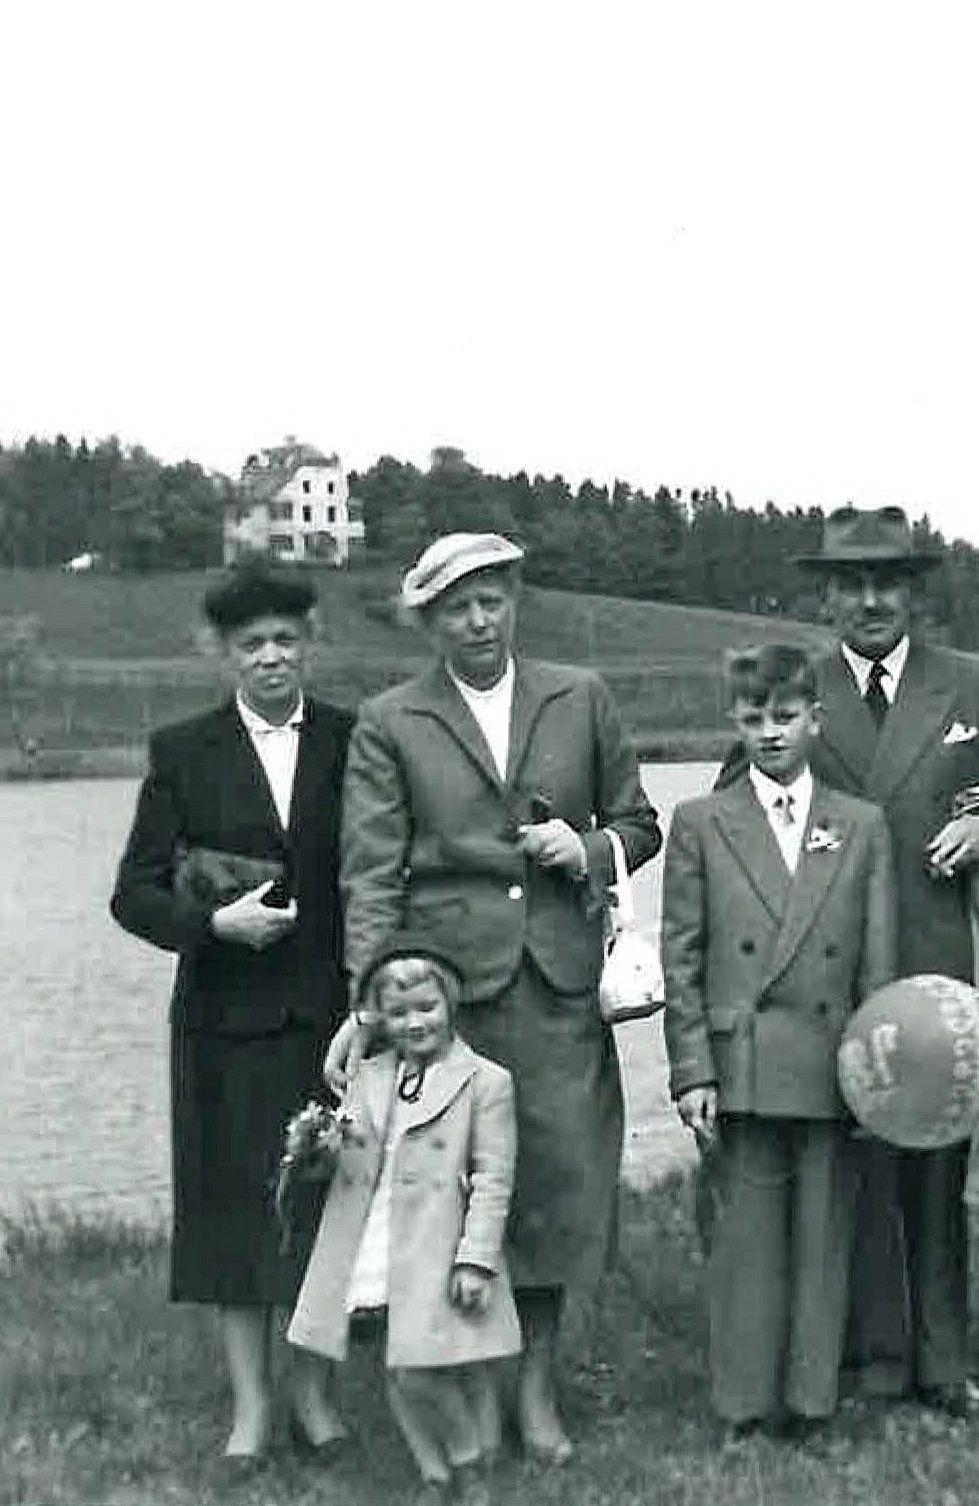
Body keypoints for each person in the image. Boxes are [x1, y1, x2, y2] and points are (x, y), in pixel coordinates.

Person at [338, 532, 662, 1462]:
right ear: (428, 622)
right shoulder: (390, 721)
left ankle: (536, 1394)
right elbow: (370, 874)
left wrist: (588, 850)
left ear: (514, 602)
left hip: (558, 983)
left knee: (557, 1186)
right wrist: (372, 1001)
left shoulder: (579, 696)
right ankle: (477, 1394)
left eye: (491, 601)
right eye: (456, 608)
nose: (478, 621)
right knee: (460, 1195)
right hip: (446, 999)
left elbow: (640, 824)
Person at [724, 504, 979, 1417]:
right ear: (825, 598)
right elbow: (735, 814)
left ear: (912, 593)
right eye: (850, 584)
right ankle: (865, 1358)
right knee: (848, 1176)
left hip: (943, 976)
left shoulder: (977, 686)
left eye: (885, 583)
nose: (869, 601)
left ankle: (943, 1362)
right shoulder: (795, 688)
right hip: (828, 981)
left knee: (936, 1176)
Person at [108, 563, 351, 1465]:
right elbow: (133, 894)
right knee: (231, 1217)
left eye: (286, 639)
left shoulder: (354, 739)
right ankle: (250, 1409)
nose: (271, 657)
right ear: (223, 654)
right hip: (222, 1022)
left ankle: (316, 1399)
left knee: (324, 1214)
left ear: (309, 643)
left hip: (331, 1023)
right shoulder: (182, 751)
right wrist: (213, 924)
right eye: (252, 644)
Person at [662, 644, 898, 1447]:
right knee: (747, 1243)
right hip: (743, 1063)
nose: (769, 732)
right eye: (754, 717)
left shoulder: (861, 824)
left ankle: (809, 1403)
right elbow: (681, 957)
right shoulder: (699, 821)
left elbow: (876, 964)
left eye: (786, 716)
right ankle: (742, 1406)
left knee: (823, 1238)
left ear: (815, 720)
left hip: (830, 1060)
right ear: (734, 720)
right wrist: (691, 1072)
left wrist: (874, 1074)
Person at [289, 934, 519, 1503]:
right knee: (396, 1364)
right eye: (398, 1013)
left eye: (427, 1008)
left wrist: (476, 1260)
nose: (415, 1023)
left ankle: (467, 1457)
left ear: (450, 1004)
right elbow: (351, 1157)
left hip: (436, 1244)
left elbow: (493, 1180)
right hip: (374, 1238)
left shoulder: (485, 1082)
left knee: (421, 1367)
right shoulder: (369, 1076)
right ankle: (435, 1475)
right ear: (379, 1019)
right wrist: (317, 1150)